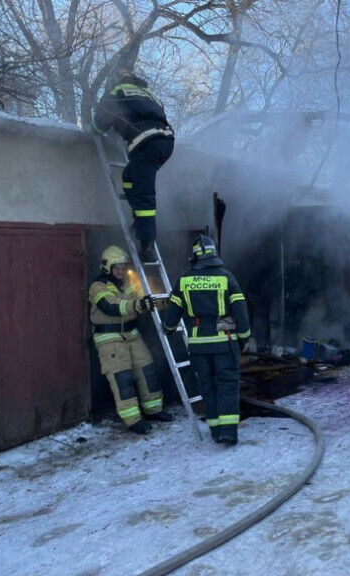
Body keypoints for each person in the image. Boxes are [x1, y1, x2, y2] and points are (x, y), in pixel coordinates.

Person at [163, 235, 251, 445]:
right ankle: (229, 431)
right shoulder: (226, 277)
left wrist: (168, 329)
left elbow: (170, 320)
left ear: (194, 257)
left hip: (198, 348)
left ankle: (215, 431)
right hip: (224, 344)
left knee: (208, 387)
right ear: (214, 254)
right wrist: (244, 338)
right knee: (227, 386)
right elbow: (240, 313)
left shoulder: (184, 280)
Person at [93, 69, 175, 262]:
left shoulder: (118, 91)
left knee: (145, 196)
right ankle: (139, 221)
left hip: (146, 144)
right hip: (166, 143)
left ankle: (147, 246)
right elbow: (148, 114)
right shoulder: (149, 94)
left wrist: (96, 129)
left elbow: (103, 118)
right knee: (129, 177)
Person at [89, 246, 173, 434]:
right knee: (122, 379)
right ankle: (133, 420)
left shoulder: (129, 282)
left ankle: (153, 410)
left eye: (122, 266)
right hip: (109, 339)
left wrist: (167, 300)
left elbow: (147, 298)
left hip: (131, 334)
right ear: (107, 268)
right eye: (116, 267)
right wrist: (138, 304)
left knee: (147, 371)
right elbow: (111, 306)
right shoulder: (98, 286)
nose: (120, 271)